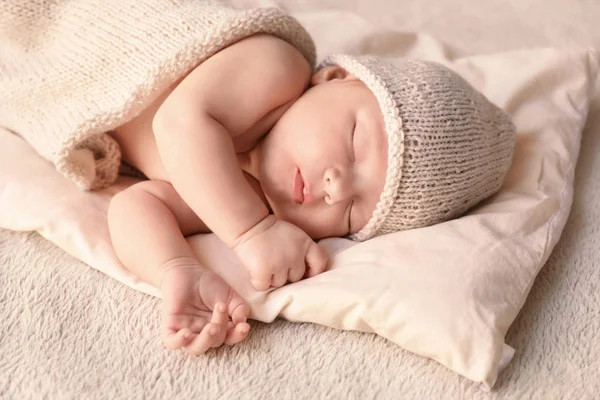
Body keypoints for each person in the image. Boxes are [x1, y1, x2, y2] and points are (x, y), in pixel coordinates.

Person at [0, 0, 515, 356]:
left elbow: (134, 207)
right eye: (355, 140)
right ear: (334, 78)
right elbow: (180, 124)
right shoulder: (278, 65)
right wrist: (251, 233)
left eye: (355, 210)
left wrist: (176, 270)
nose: (336, 184)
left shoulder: (248, 196)